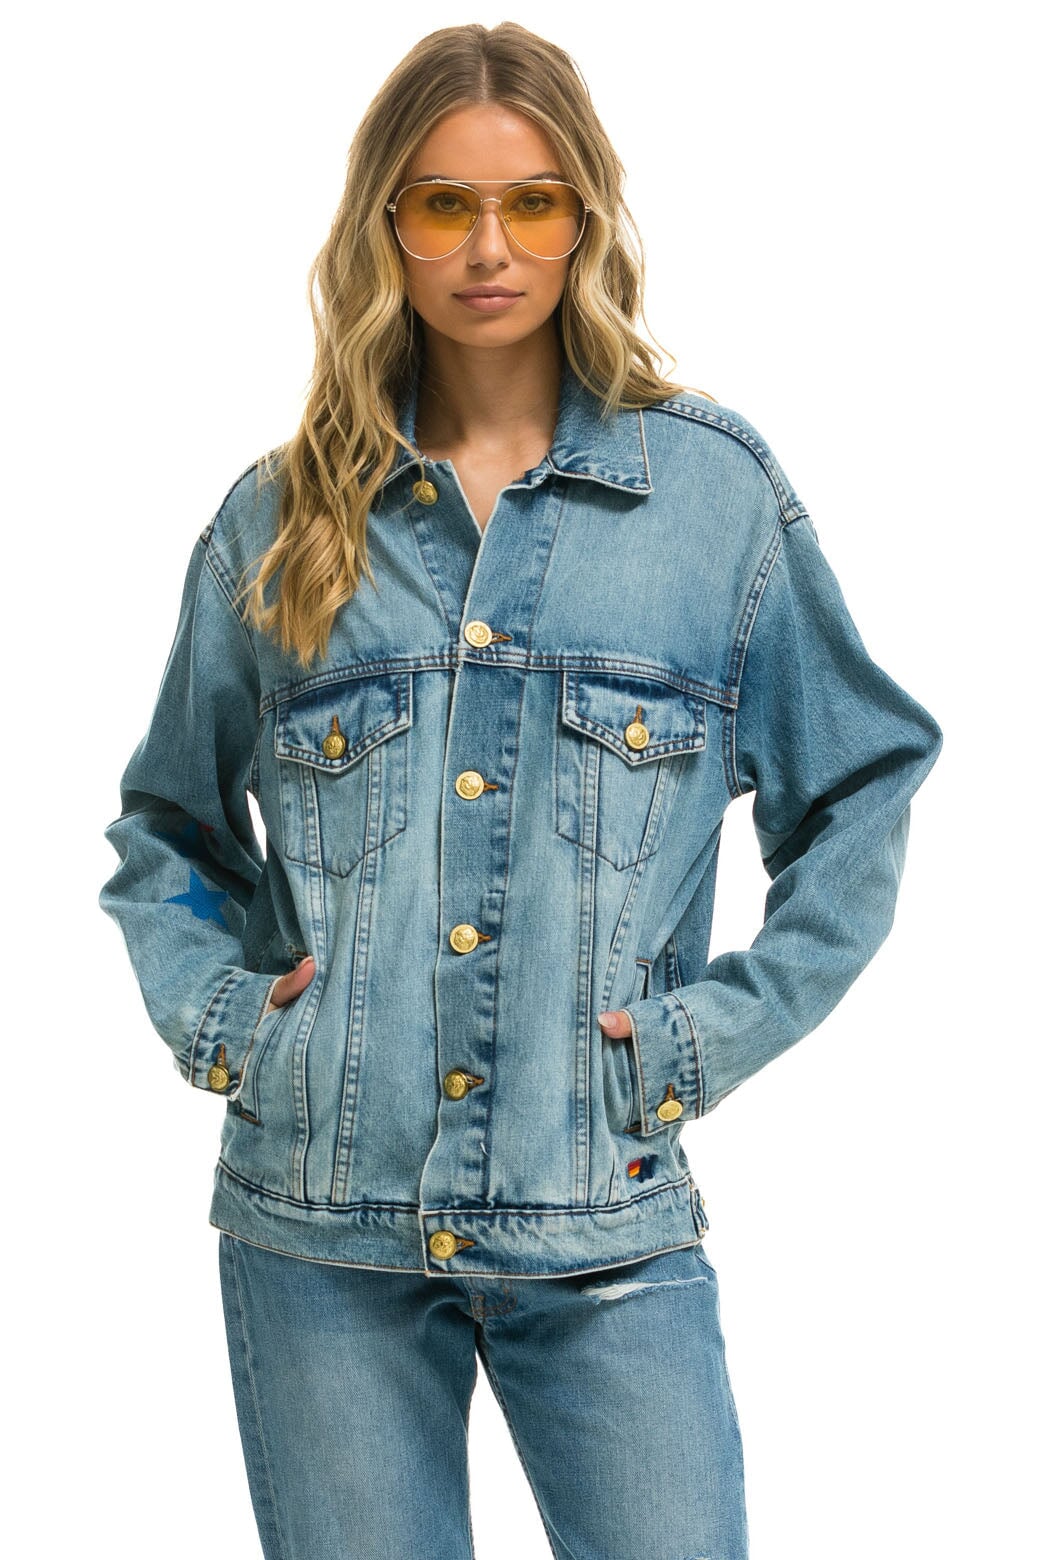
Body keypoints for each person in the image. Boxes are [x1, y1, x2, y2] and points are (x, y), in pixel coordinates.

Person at [99, 21, 943, 1560]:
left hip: (604, 1215)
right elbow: (168, 831)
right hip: (319, 1231)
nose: (490, 247)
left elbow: (864, 781)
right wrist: (230, 1026)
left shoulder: (710, 502)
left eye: (532, 203)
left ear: (584, 218)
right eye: (445, 205)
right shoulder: (276, 527)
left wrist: (703, 1037)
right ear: (387, 227)